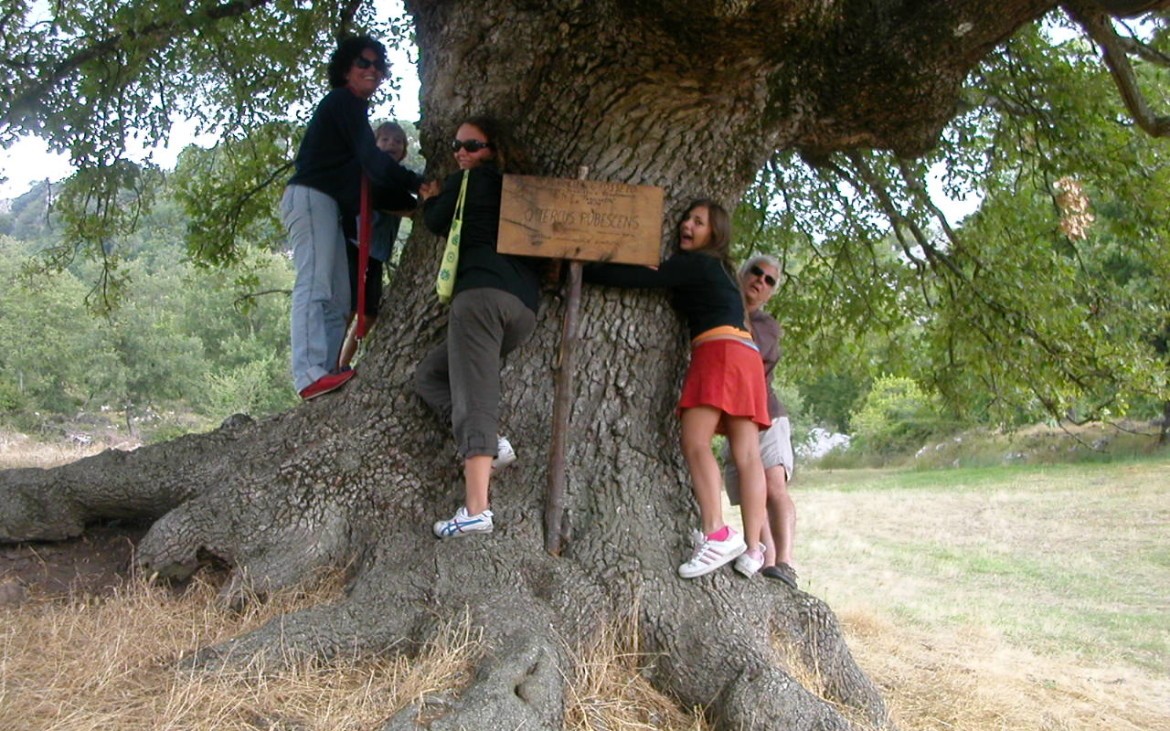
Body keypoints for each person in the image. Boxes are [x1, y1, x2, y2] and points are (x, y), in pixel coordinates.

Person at [584, 200, 771, 578]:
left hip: (718, 350)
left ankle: (717, 532)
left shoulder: (697, 262)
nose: (687, 225)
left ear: (714, 233)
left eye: (698, 222)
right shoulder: (722, 270)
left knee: (695, 442)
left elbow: (640, 278)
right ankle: (754, 547)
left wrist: (582, 267)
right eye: (687, 219)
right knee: (748, 455)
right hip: (746, 355)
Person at [414, 116, 541, 538]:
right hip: (522, 309)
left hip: (481, 298)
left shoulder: (467, 182)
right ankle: (492, 444)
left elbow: (435, 222)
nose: (461, 153)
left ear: (493, 150)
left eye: (472, 145)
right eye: (458, 146)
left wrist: (431, 197)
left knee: (475, 398)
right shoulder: (523, 193)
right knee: (432, 375)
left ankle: (476, 510)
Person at [280, 36, 422, 400]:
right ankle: (309, 373)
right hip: (313, 197)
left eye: (378, 65)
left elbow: (373, 183)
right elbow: (374, 162)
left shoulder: (353, 112)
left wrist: (417, 199)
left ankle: (327, 372)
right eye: (363, 62)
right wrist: (420, 185)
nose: (372, 70)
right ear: (346, 69)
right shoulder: (343, 102)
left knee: (341, 298)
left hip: (335, 209)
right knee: (315, 283)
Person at [722, 254, 799, 588]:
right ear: (743, 274)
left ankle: (785, 562)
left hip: (767, 416)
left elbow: (749, 349)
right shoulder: (722, 309)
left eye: (770, 281)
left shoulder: (764, 325)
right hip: (737, 419)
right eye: (757, 273)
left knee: (774, 487)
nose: (761, 281)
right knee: (754, 492)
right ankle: (768, 563)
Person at [338, 121, 416, 370]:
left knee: (369, 312)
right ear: (374, 145)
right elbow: (382, 198)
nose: (391, 144)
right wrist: (414, 209)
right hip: (356, 245)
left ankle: (343, 362)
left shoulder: (399, 178)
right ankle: (331, 365)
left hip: (376, 253)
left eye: (397, 141)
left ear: (404, 150)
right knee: (350, 306)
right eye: (384, 140)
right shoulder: (371, 172)